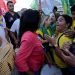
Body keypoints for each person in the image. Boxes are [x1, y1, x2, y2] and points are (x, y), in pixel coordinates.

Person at [15, 9, 45, 75]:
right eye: (39, 20)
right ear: (34, 22)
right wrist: (30, 73)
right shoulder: (29, 36)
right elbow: (19, 60)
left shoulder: (32, 33)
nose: (40, 22)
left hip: (36, 67)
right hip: (33, 70)